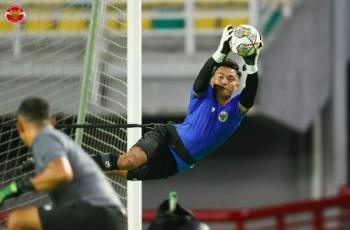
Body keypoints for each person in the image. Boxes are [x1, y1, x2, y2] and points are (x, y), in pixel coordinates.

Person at [93, 25, 262, 180]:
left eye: (230, 78)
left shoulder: (235, 110)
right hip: (167, 138)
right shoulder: (203, 95)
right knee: (128, 162)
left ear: (237, 84)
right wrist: (221, 51)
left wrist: (252, 64)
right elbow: (202, 78)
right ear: (213, 79)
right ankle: (76, 161)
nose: (225, 81)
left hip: (176, 163)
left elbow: (249, 95)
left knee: (123, 172)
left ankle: (81, 168)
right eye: (220, 76)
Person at [0, 98, 126, 230]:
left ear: (19, 126)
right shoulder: (58, 139)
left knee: (18, 220)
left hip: (95, 212)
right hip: (111, 217)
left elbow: (61, 173)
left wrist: (13, 189)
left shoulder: (44, 137)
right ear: (52, 120)